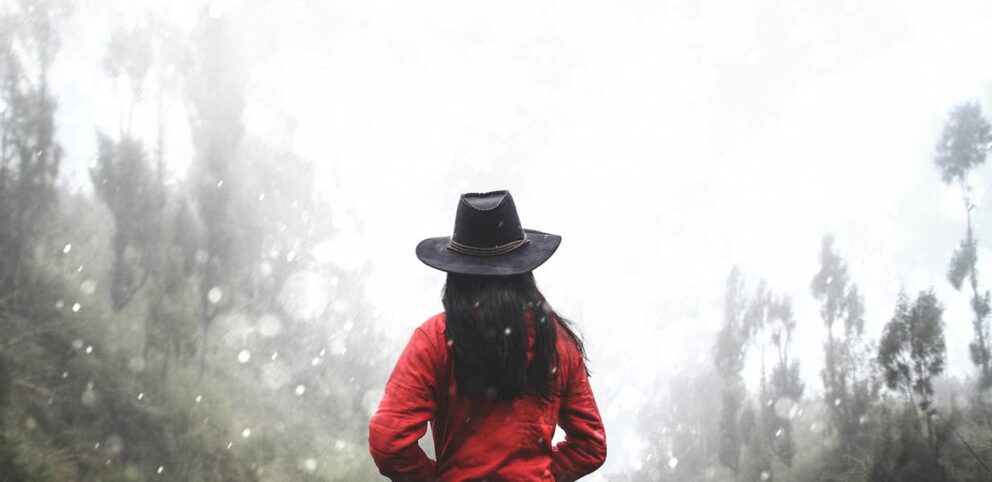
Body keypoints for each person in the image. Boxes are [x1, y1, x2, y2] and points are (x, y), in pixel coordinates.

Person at [368, 190, 607, 481]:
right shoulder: (558, 342)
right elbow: (590, 445)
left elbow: (389, 442)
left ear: (456, 273)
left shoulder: (435, 338)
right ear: (524, 270)